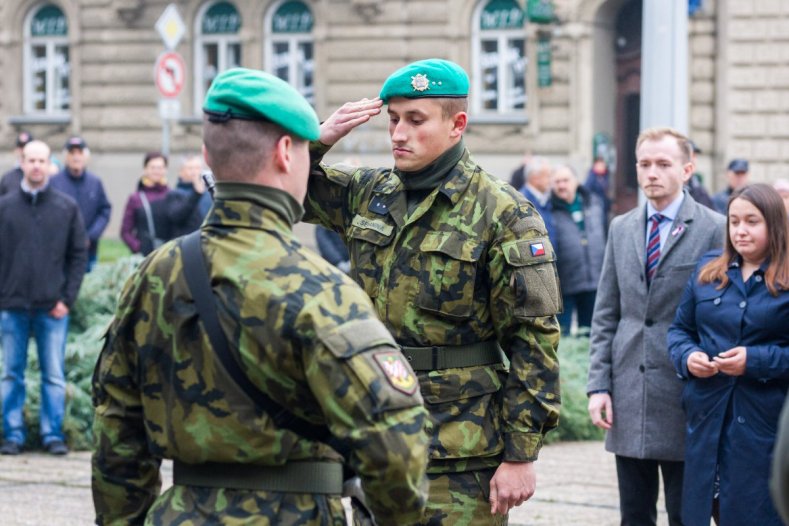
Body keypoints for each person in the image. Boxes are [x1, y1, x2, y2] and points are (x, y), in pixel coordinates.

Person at [91, 68, 429, 525]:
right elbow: (394, 442)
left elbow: (117, 432)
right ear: (287, 152)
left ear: (208, 155)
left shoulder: (155, 274)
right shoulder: (322, 289)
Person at [304, 58, 561, 525]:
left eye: (416, 120)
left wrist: (521, 454)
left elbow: (533, 338)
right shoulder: (370, 193)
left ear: (457, 124)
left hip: (460, 452)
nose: (399, 134)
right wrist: (318, 140)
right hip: (377, 433)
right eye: (394, 120)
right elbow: (283, 190)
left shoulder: (504, 213)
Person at [587, 127, 726, 526]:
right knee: (634, 515)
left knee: (687, 514)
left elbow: (721, 312)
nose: (652, 173)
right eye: (645, 164)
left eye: (663, 164)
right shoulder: (622, 227)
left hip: (686, 389)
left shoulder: (713, 227)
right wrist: (599, 385)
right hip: (630, 389)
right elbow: (605, 313)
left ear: (687, 169)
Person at [668, 183, 789, 526]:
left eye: (752, 221)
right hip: (707, 422)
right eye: (734, 221)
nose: (740, 230)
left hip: (763, 427)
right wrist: (688, 357)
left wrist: (754, 361)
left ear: (774, 225)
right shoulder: (709, 270)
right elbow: (679, 331)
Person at [0, 140, 88, 456]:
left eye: (42, 160)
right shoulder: (5, 206)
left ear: (51, 164)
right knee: (12, 373)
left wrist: (67, 298)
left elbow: (79, 255)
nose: (36, 165)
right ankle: (13, 434)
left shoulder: (66, 207)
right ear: (21, 163)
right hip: (12, 307)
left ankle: (53, 434)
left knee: (53, 375)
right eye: (30, 160)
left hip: (53, 308)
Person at [550, 164, 606, 335]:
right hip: (563, 283)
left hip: (593, 280)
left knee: (591, 333)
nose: (562, 185)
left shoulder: (593, 203)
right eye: (557, 182)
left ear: (576, 182)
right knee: (562, 333)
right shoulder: (549, 209)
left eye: (565, 180)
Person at [50, 136, 112, 271]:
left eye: (80, 153)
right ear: (66, 157)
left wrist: (91, 236)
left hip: (89, 251)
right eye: (72, 153)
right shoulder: (54, 182)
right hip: (61, 252)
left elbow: (104, 211)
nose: (76, 157)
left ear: (86, 156)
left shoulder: (95, 182)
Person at [119, 152, 169, 255]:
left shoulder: (172, 196)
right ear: (145, 169)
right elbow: (125, 231)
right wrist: (138, 248)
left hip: (168, 255)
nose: (156, 171)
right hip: (145, 257)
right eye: (153, 167)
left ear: (165, 170)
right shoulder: (136, 198)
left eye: (160, 167)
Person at [163, 154, 211, 239]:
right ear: (180, 172)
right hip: (187, 244)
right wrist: (196, 194)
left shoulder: (209, 192)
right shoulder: (174, 194)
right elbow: (177, 217)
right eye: (190, 168)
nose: (194, 172)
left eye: (197, 168)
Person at [520, 156, 556, 242]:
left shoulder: (548, 199)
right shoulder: (521, 202)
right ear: (535, 178)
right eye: (548, 176)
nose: (551, 180)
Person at [0, 131, 34, 196]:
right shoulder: (7, 178)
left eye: (27, 146)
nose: (24, 150)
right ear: (16, 150)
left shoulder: (43, 175)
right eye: (21, 146)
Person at [685, 140, 715, 210]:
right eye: (690, 155)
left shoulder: (699, 188)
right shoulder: (675, 186)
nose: (694, 160)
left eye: (695, 156)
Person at [584, 155, 611, 228]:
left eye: (602, 164)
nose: (602, 166)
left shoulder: (606, 175)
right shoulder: (592, 175)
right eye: (599, 164)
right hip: (595, 205)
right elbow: (587, 188)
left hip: (604, 206)